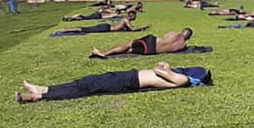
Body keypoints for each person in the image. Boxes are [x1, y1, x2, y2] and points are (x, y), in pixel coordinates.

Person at [15, 62, 211, 102]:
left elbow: (162, 72)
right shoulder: (184, 77)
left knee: (86, 88)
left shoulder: (184, 79)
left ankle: (38, 96)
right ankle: (44, 89)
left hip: (130, 81)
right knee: (86, 82)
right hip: (129, 77)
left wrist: (166, 67)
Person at [90, 28, 193, 58]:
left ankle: (104, 53)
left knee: (129, 44)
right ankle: (105, 53)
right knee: (130, 50)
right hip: (151, 51)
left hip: (151, 42)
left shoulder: (173, 33)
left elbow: (163, 38)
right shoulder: (183, 46)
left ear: (182, 31)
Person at [56, 11, 149, 35]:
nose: (135, 18)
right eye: (135, 16)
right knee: (85, 29)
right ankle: (64, 30)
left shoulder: (125, 19)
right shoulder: (126, 20)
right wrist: (142, 27)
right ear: (131, 16)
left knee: (86, 28)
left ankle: (65, 29)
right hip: (106, 28)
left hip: (106, 26)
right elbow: (132, 29)